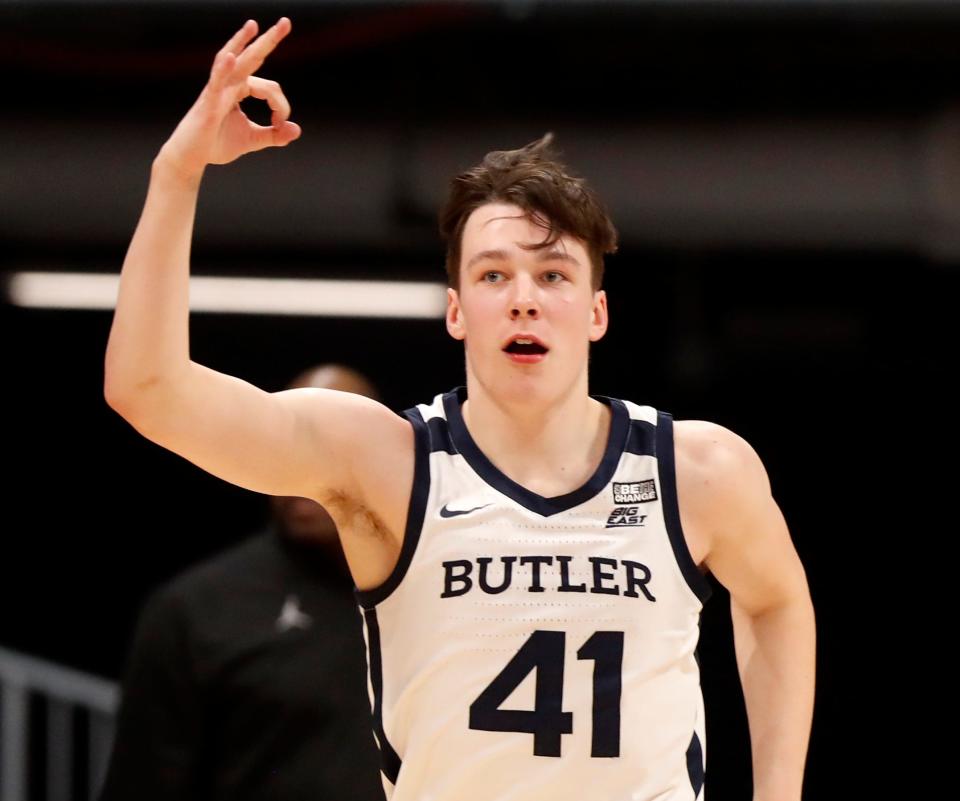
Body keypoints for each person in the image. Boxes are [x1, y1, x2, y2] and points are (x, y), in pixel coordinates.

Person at [104, 17, 816, 801]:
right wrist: (177, 172)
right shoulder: (385, 461)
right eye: (493, 275)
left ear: (596, 312)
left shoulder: (698, 468)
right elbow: (148, 389)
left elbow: (778, 601)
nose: (523, 300)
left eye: (552, 276)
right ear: (454, 311)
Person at [99, 364, 385, 801]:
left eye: (326, 443)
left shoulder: (442, 590)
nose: (303, 464)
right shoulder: (196, 609)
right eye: (287, 442)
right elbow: (141, 783)